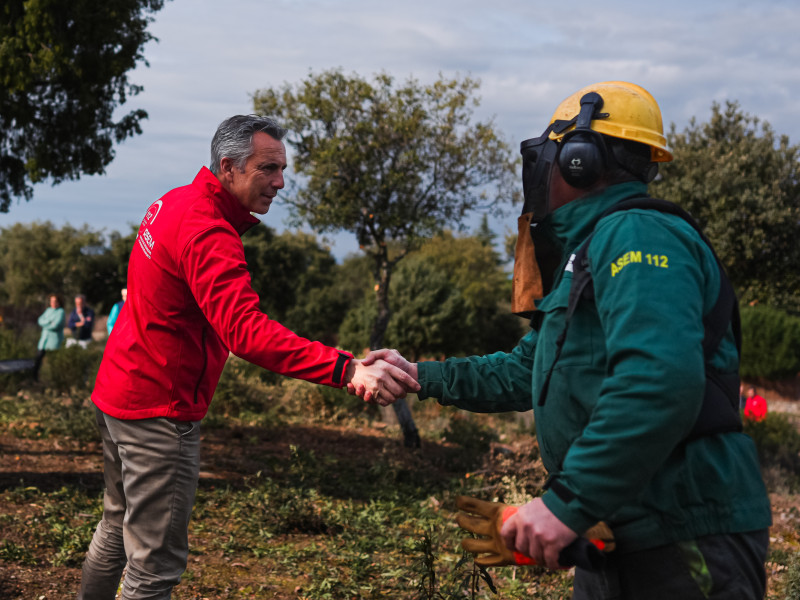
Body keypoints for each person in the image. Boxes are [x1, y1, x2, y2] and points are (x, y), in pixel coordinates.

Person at [356, 82, 772, 599]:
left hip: (681, 527)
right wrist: (421, 375)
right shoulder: (592, 251)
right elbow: (526, 368)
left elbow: (660, 377)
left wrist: (565, 503)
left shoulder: (637, 235)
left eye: (550, 157)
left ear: (579, 159)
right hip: (614, 526)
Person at [77, 115, 418, 600]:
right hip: (158, 413)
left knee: (115, 527)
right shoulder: (208, 233)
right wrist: (346, 368)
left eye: (282, 169)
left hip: (118, 394)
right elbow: (246, 332)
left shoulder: (171, 202)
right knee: (154, 566)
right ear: (229, 167)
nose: (280, 182)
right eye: (268, 169)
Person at [32, 293, 65, 380]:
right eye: (51, 301)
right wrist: (49, 321)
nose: (53, 303)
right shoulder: (48, 310)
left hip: (54, 341)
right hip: (44, 341)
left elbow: (55, 326)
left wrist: (45, 324)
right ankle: (35, 379)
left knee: (53, 361)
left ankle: (54, 379)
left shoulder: (61, 312)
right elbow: (40, 320)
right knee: (38, 359)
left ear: (58, 302)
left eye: (55, 301)